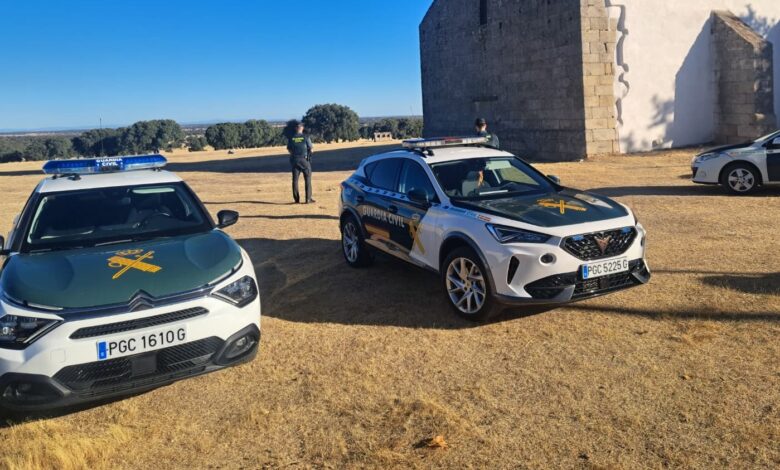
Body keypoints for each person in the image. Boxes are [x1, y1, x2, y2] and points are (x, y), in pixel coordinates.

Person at [287, 121, 315, 204]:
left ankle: (296, 199)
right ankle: (308, 199)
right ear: (302, 128)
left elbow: (289, 149)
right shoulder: (306, 137)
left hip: (294, 160)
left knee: (295, 180)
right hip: (304, 160)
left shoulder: (291, 138)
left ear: (295, 128)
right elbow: (311, 149)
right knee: (308, 179)